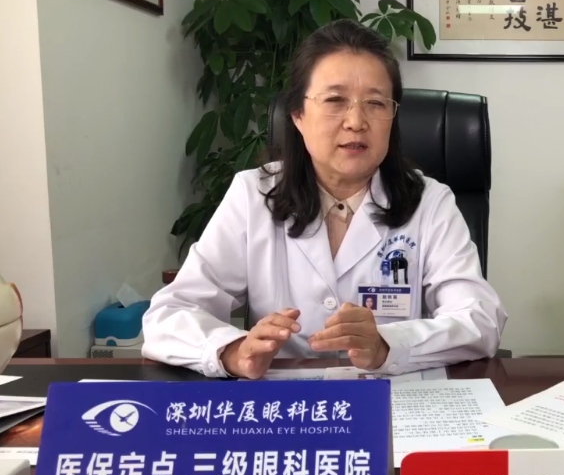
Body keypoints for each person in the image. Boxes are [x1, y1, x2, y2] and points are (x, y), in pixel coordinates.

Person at [143, 19, 507, 380]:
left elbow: (480, 319)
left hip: (391, 399)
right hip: (286, 403)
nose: (356, 121)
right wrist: (231, 351)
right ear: (298, 115)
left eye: (376, 103)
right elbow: (170, 314)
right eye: (335, 100)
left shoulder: (429, 202)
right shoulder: (254, 194)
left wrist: (388, 345)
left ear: (392, 117)